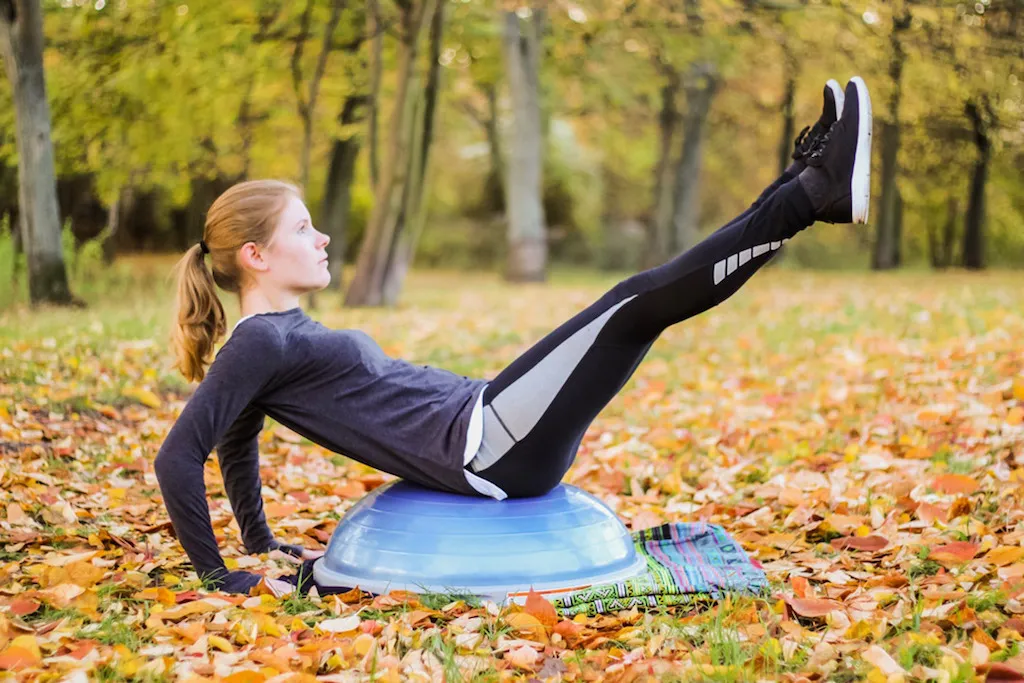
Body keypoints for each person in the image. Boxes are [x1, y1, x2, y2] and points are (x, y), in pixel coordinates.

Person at [154, 77, 873, 595]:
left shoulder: (269, 338)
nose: (324, 235)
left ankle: (803, 182)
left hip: (490, 419)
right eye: (303, 227)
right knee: (634, 304)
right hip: (489, 444)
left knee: (636, 304)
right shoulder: (258, 342)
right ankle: (813, 194)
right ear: (255, 255)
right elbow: (181, 454)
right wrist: (225, 575)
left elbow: (236, 441)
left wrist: (259, 539)